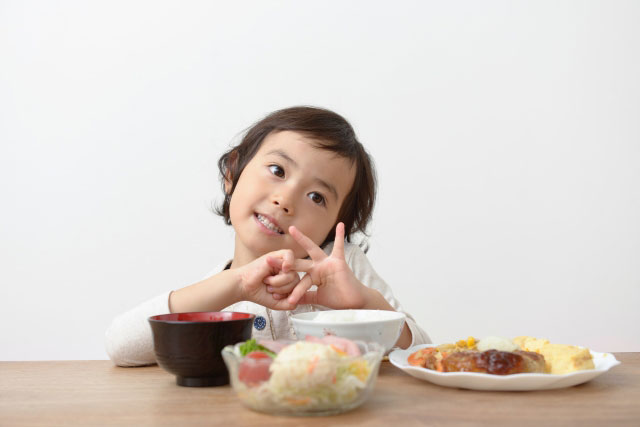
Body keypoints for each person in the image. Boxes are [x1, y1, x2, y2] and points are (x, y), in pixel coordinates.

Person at [105, 106, 430, 366]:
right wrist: (235, 286)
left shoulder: (344, 271)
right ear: (232, 172)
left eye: (317, 197)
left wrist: (366, 303)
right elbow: (121, 347)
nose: (285, 200)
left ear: (333, 227)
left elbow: (421, 351)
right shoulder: (217, 291)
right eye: (278, 170)